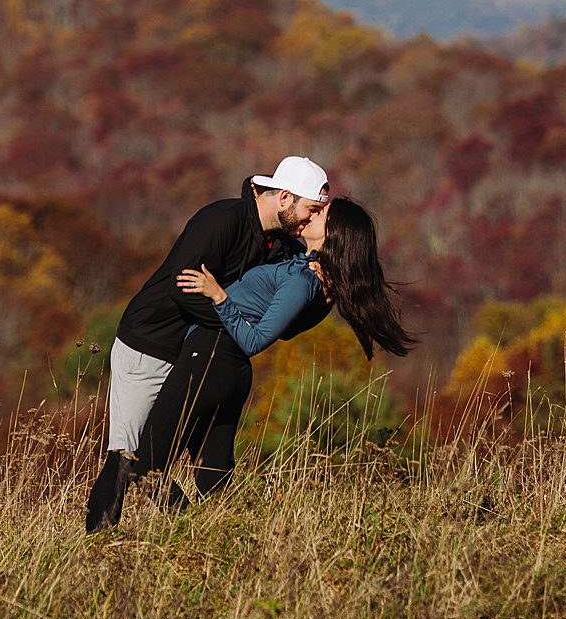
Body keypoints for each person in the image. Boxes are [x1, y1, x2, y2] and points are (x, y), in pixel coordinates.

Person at [115, 195, 416, 522]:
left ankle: (189, 529)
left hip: (209, 358)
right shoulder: (315, 281)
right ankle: (217, 540)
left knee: (145, 466)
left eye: (321, 213)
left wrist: (219, 296)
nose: (312, 214)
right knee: (213, 480)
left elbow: (254, 339)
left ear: (335, 233)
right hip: (226, 370)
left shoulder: (302, 283)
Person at [83, 155, 331, 533]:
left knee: (210, 466)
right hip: (151, 344)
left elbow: (282, 320)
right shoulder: (221, 221)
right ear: (284, 198)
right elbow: (183, 291)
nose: (309, 221)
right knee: (128, 458)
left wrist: (322, 296)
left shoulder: (280, 245)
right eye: (309, 210)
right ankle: (96, 545)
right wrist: (234, 329)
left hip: (196, 353)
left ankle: (209, 538)